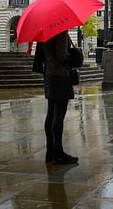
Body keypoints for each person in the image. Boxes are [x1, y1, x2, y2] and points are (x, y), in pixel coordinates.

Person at [32, 32, 78, 165]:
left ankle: (50, 151)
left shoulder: (43, 32)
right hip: (61, 75)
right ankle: (58, 153)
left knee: (51, 113)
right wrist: (73, 56)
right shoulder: (60, 31)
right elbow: (62, 55)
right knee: (59, 116)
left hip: (49, 74)